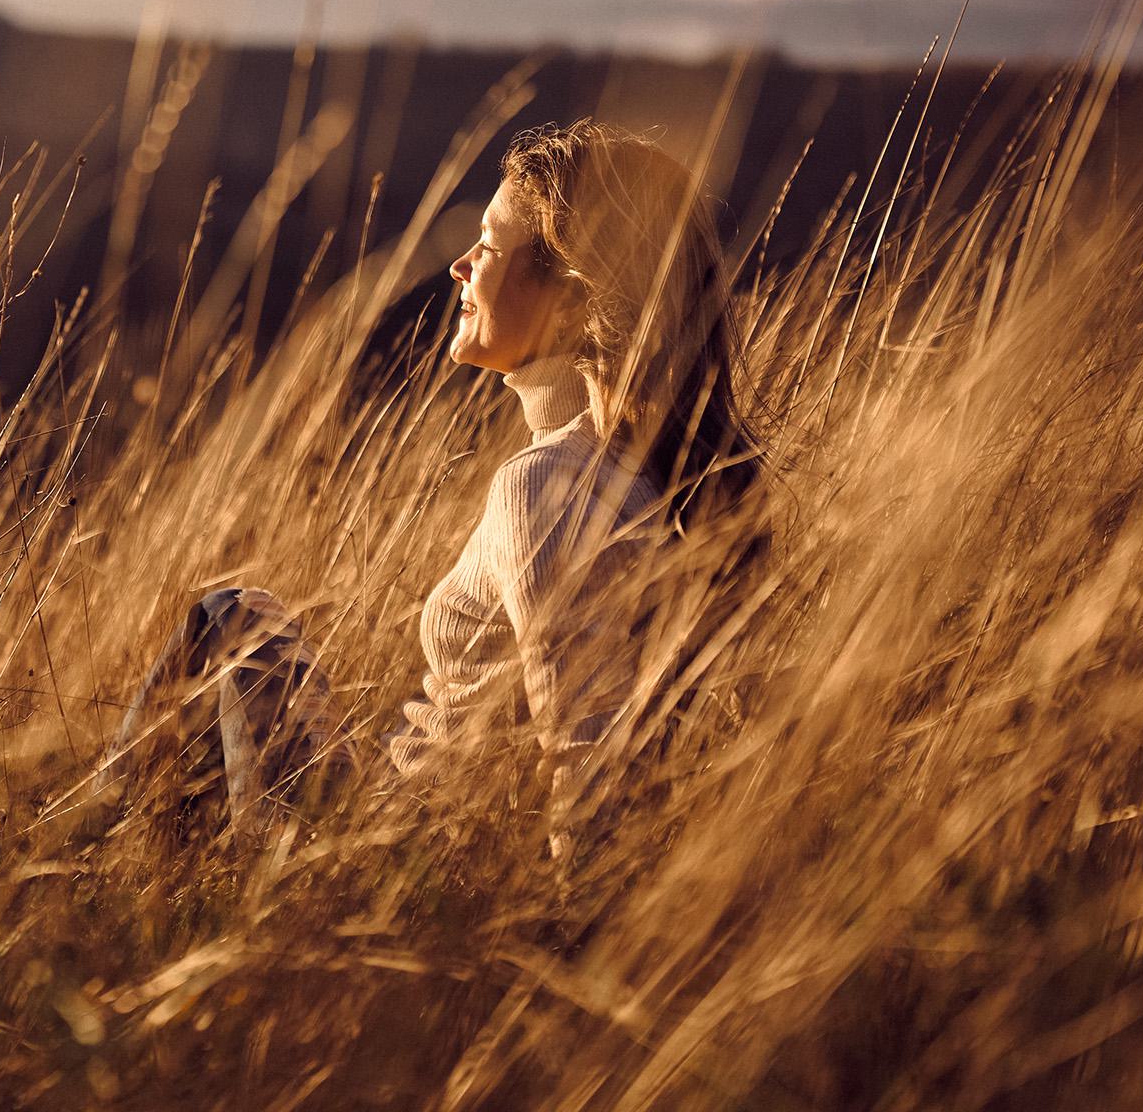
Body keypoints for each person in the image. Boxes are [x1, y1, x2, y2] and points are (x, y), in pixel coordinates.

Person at [97, 119, 763, 834]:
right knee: (236, 610)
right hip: (400, 823)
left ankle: (81, 864)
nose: (462, 266)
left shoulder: (549, 485)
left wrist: (580, 936)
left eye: (489, 246)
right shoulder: (653, 463)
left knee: (225, 618)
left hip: (379, 851)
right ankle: (126, 867)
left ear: (569, 300)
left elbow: (586, 762)